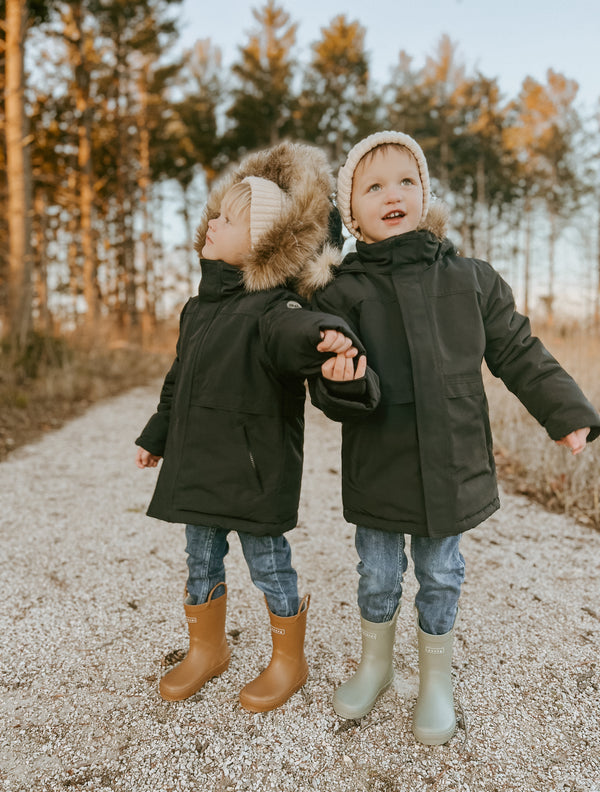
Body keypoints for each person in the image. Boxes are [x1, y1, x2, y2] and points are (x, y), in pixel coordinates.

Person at [298, 130, 600, 745]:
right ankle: (376, 664)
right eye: (374, 185)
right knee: (378, 574)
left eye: (407, 181)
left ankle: (436, 679)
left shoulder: (470, 279)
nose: (394, 194)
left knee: (440, 573)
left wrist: (566, 409)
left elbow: (518, 350)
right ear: (350, 212)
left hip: (453, 461)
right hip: (378, 463)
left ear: (426, 193)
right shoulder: (340, 292)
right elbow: (327, 386)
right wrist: (340, 378)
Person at [135, 141, 379, 714]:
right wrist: (156, 434)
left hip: (251, 472)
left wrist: (326, 338)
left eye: (227, 219)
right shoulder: (197, 310)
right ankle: (207, 648)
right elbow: (179, 381)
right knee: (200, 560)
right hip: (198, 468)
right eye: (215, 214)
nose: (210, 223)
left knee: (268, 562)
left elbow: (299, 331)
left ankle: (288, 658)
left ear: (263, 244)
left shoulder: (272, 310)